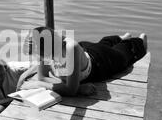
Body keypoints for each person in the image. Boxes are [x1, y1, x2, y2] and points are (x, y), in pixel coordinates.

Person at [18, 27, 147, 97]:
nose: (39, 59)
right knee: (103, 44)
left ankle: (138, 41)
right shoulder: (44, 49)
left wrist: (39, 84)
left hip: (100, 63)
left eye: (40, 55)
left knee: (123, 56)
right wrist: (75, 87)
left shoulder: (70, 48)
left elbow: (70, 90)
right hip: (86, 50)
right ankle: (120, 37)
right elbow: (43, 76)